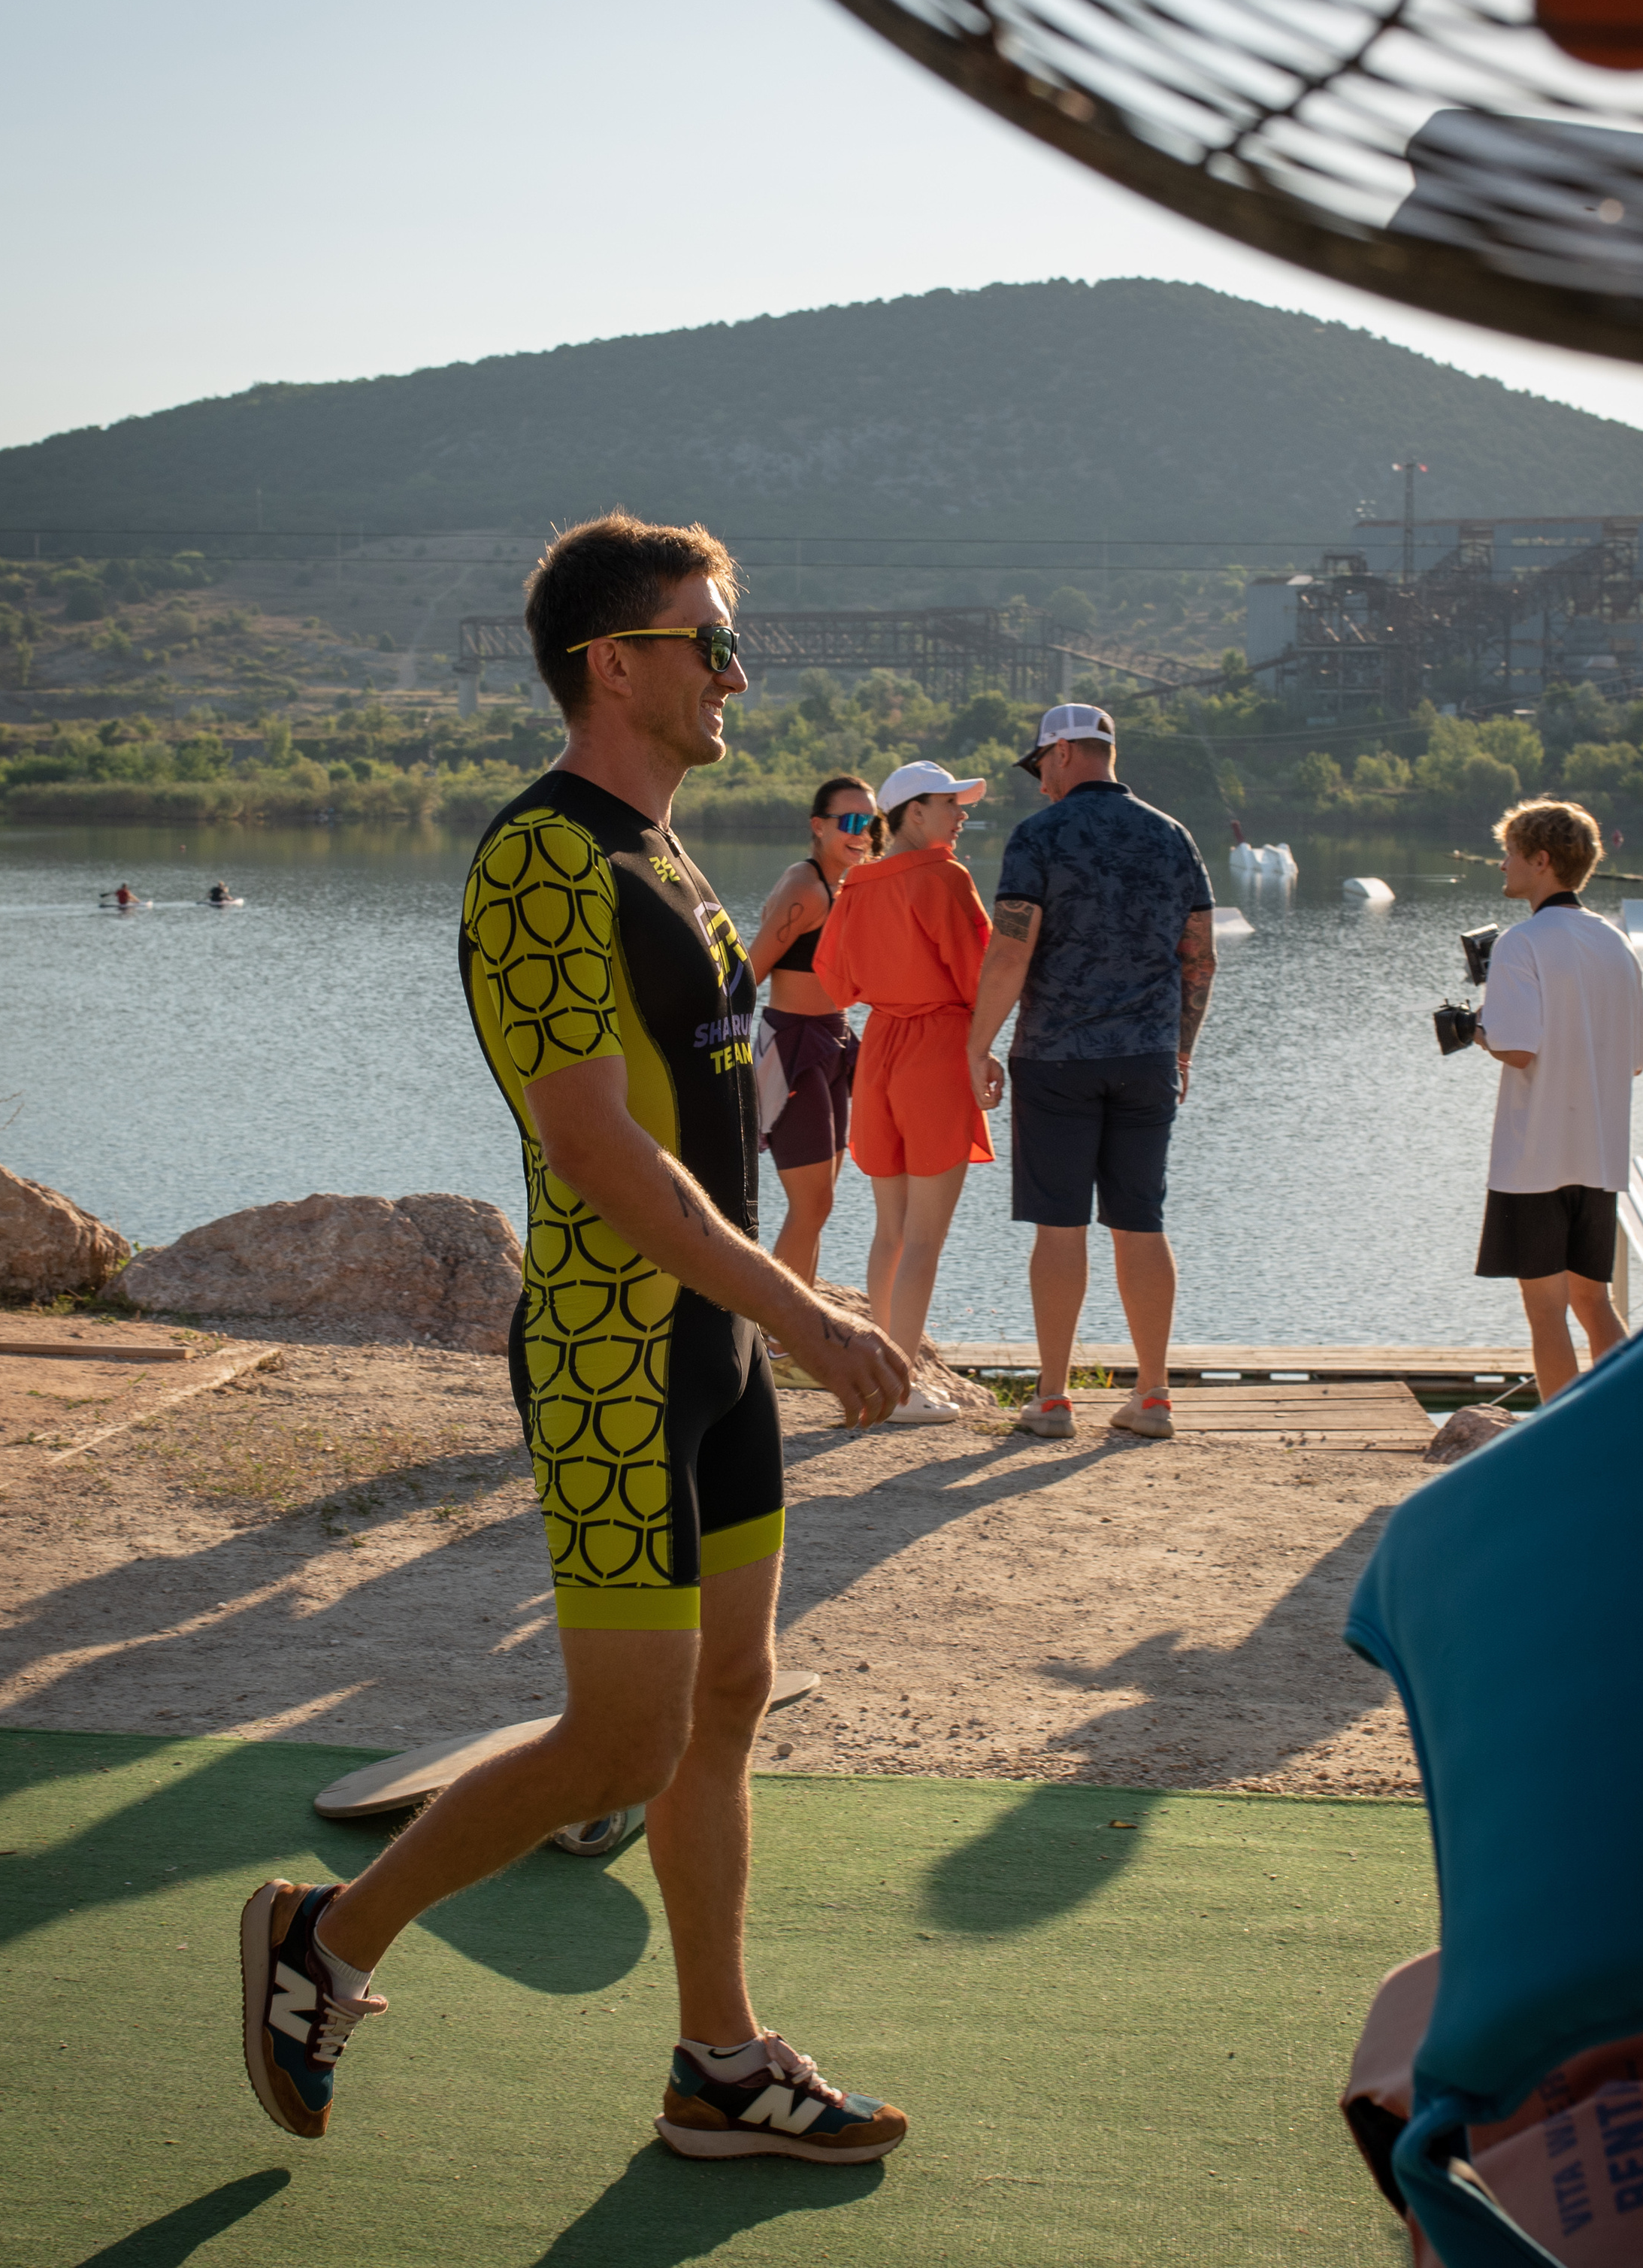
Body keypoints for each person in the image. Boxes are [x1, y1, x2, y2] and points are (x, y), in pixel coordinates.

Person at [240, 511, 911, 2165]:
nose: (736, 671)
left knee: (730, 1696)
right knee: (621, 1737)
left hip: (717, 1353)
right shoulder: (542, 856)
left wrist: (769, 1320)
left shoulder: (668, 853)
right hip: (618, 1359)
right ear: (612, 663)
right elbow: (596, 1150)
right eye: (710, 640)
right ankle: (323, 1939)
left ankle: (716, 2061)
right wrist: (811, 1307)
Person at [967, 704, 1215, 1441]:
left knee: (1060, 1225)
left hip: (1055, 1058)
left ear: (1070, 752)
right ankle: (1153, 1395)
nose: (1039, 778)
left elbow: (1012, 949)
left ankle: (1051, 1399)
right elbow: (1198, 956)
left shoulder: (1038, 837)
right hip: (1145, 1058)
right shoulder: (1173, 836)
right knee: (1141, 1221)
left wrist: (976, 1043)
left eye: (1041, 761)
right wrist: (1182, 1047)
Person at [813, 759, 993, 1424]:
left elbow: (835, 986)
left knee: (890, 1231)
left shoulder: (858, 882)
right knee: (924, 1237)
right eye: (951, 803)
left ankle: (878, 1381)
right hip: (937, 1047)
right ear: (914, 813)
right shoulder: (946, 876)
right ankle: (905, 1388)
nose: (961, 814)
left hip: (880, 1047)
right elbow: (980, 974)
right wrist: (985, 1045)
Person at [1474, 798, 1643, 1402]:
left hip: (1534, 1159)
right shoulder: (1617, 945)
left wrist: (1474, 1028)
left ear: (1541, 859)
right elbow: (1633, 1058)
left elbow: (1517, 1048)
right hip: (1598, 1155)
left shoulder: (1521, 944)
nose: (1502, 865)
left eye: (1511, 854)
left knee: (1546, 1312)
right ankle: (1624, 1426)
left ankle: (1560, 1446)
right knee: (1594, 1302)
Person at [743, 777, 881, 1309]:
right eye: (849, 821)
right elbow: (747, 973)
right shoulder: (806, 887)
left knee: (819, 1206)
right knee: (811, 1204)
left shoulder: (844, 884)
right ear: (818, 826)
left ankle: (794, 1334)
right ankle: (775, 1337)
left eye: (870, 823)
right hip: (795, 1047)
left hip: (835, 1042)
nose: (861, 832)